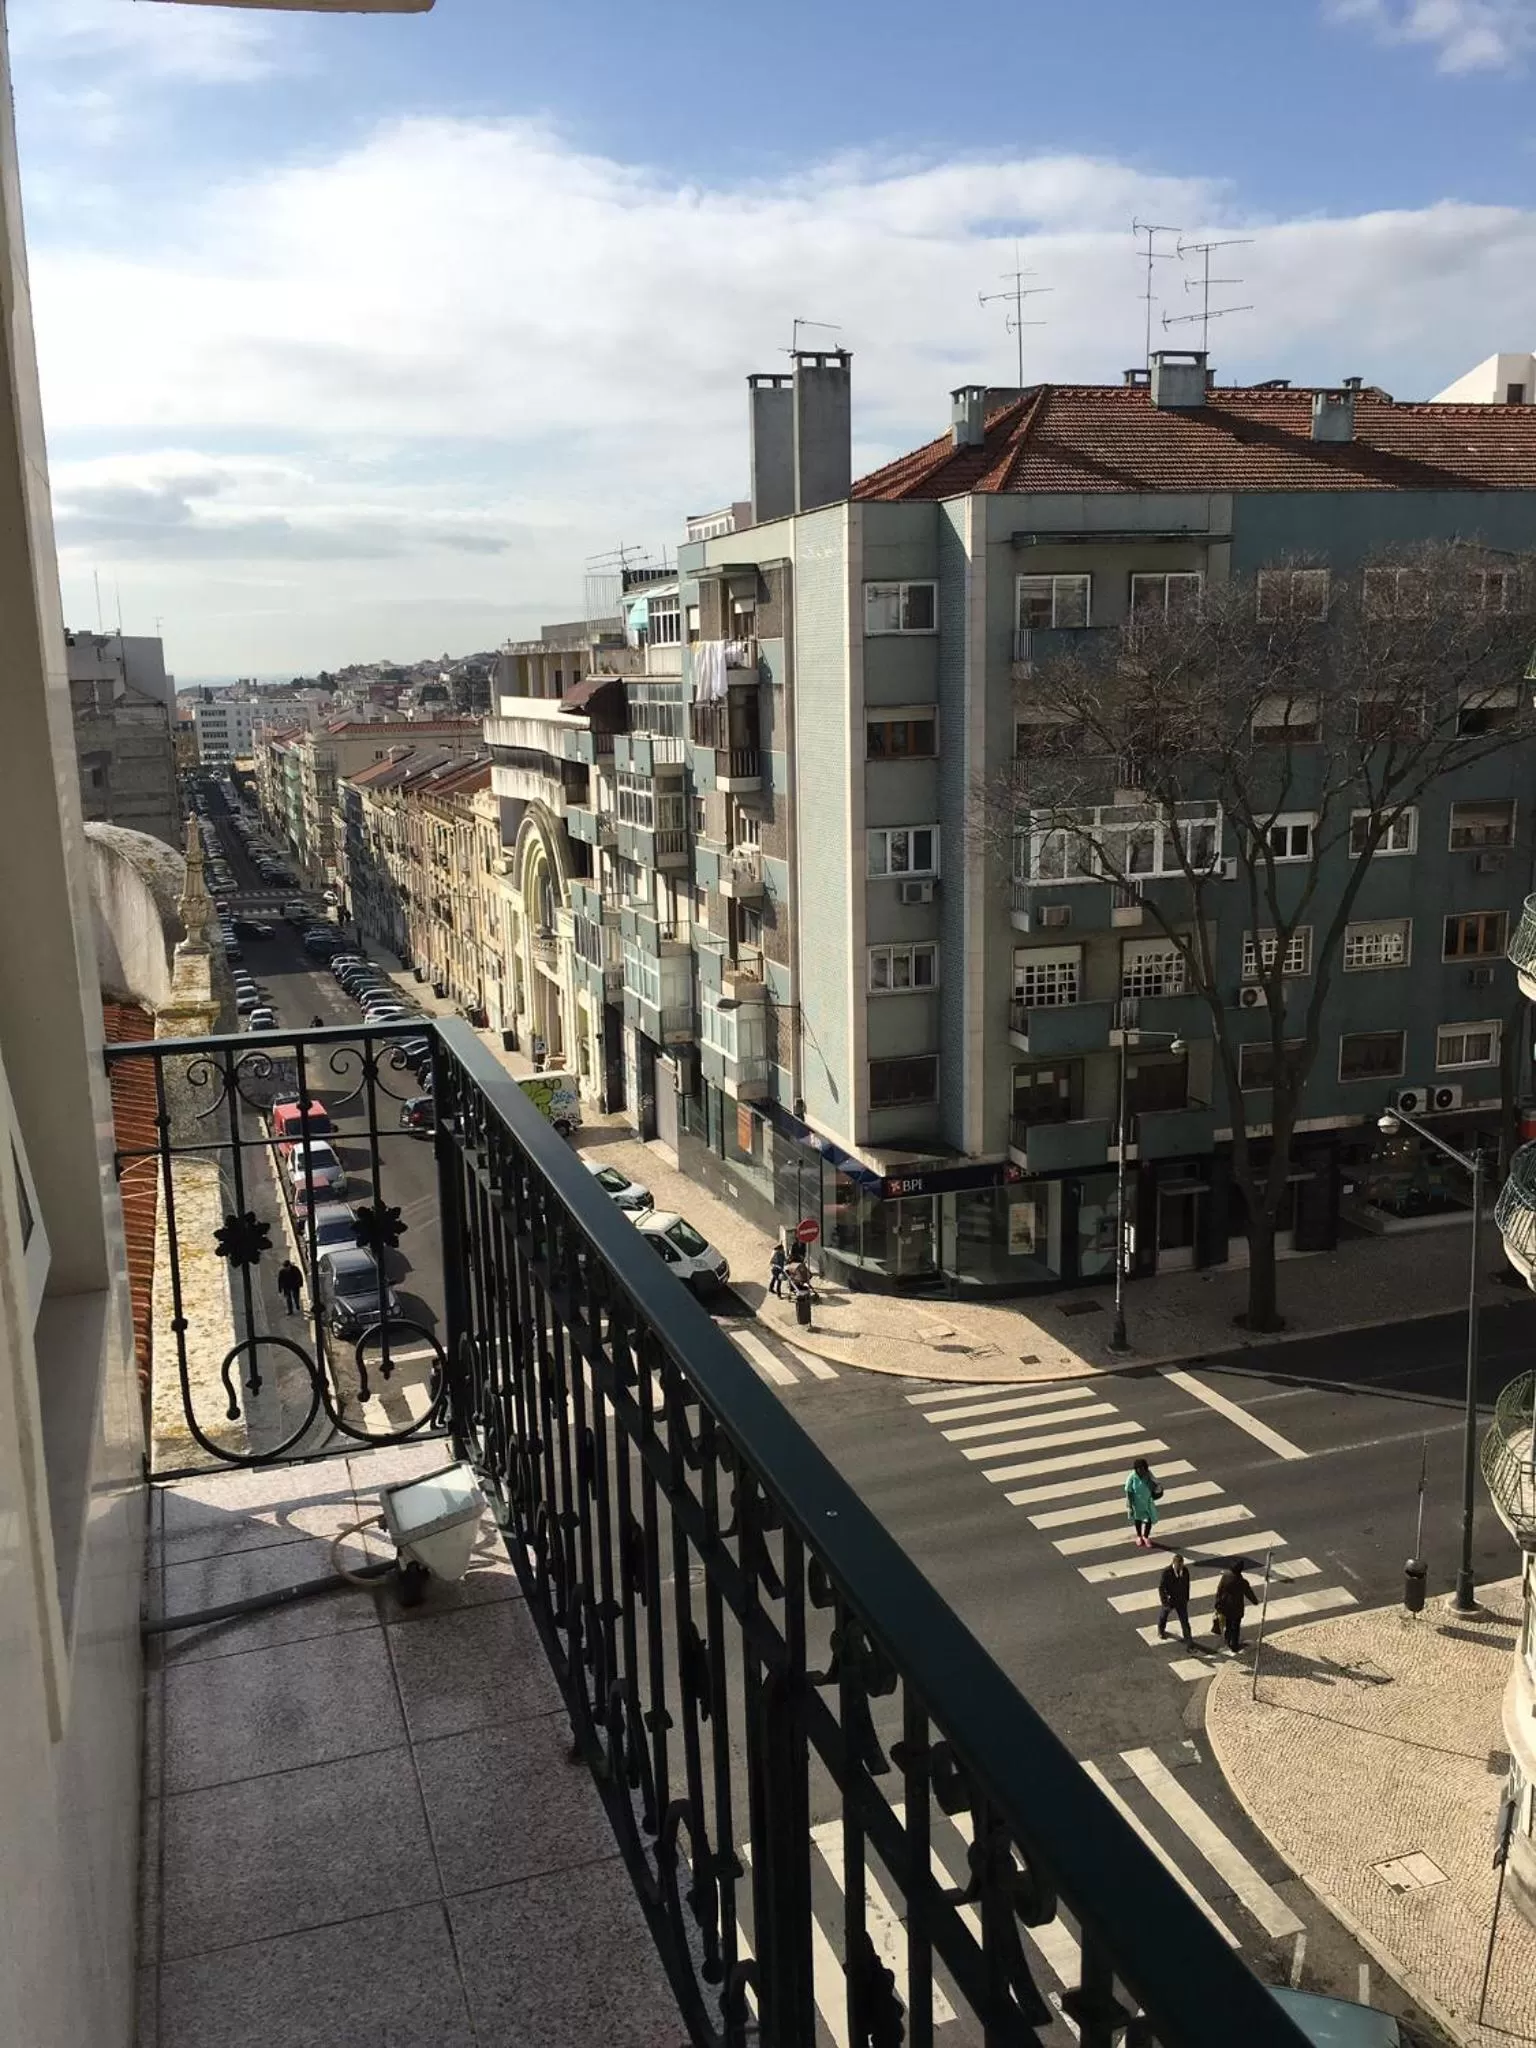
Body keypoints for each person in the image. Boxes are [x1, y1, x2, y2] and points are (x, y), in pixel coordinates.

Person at [1213, 1561, 1259, 1652]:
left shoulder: (1225, 1577)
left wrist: (1217, 1603)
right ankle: (1234, 1645)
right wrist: (1255, 1602)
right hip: (1237, 1608)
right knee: (1236, 1627)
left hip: (1226, 1606)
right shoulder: (1242, 1582)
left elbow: (1219, 1590)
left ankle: (1227, 1640)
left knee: (1228, 1624)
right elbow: (1249, 1593)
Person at [1123, 1455, 1161, 1549]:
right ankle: (1139, 1536)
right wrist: (1130, 1506)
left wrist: (1156, 1488)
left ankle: (1146, 1536)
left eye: (1142, 1469)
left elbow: (1156, 1484)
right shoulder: (1132, 1477)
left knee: (1149, 1520)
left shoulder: (1148, 1475)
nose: (1141, 1471)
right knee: (1138, 1519)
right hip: (1137, 1503)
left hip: (1147, 1502)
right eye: (1138, 1469)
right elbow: (1128, 1490)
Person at [1156, 1553, 1193, 1643]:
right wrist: (1165, 1602)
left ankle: (1188, 1639)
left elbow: (1187, 1585)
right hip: (1170, 1600)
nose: (1180, 1567)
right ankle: (1161, 1630)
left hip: (1181, 1600)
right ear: (1174, 1563)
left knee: (1184, 1620)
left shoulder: (1185, 1571)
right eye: (1178, 1565)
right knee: (1164, 1615)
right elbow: (1161, 1588)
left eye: (1181, 1565)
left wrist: (1186, 1597)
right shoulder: (1166, 1572)